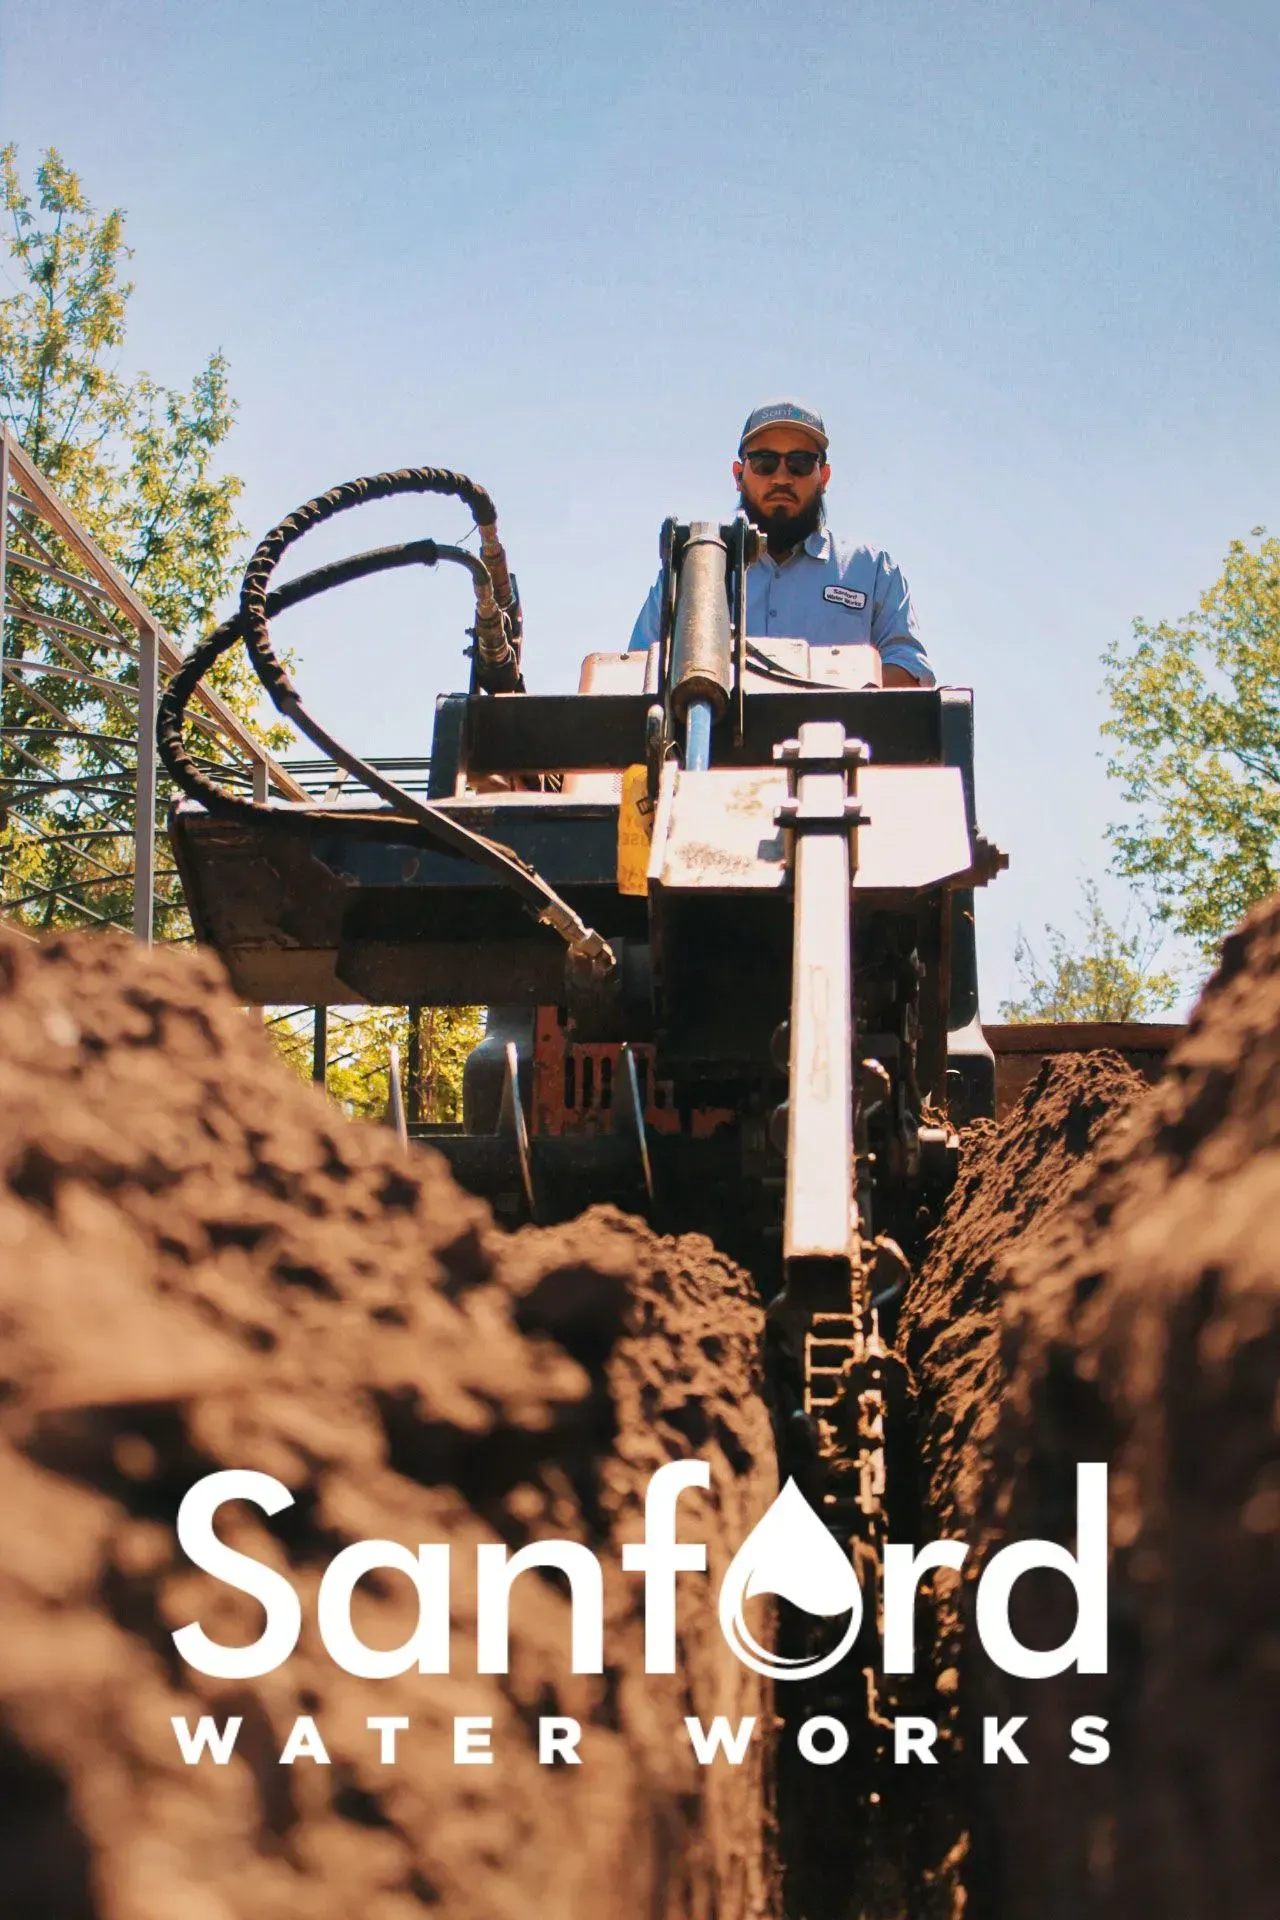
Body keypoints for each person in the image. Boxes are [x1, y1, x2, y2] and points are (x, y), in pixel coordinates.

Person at [628, 399, 934, 687]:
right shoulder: (690, 571)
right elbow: (638, 672)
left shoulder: (871, 570)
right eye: (765, 462)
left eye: (800, 463)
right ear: (738, 475)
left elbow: (909, 669)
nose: (782, 478)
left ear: (824, 477)